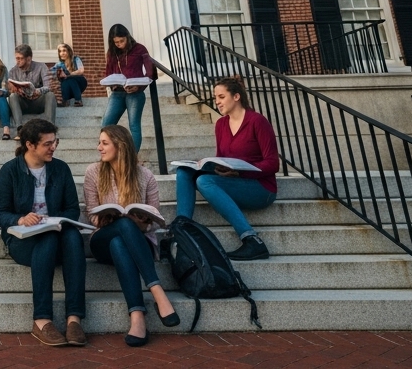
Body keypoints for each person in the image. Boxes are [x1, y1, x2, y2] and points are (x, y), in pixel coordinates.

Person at [0, 118, 87, 347]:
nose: (53, 147)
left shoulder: (60, 168)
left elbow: (72, 209)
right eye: (47, 144)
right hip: (23, 241)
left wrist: (58, 221)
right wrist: (21, 218)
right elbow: (0, 214)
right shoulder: (10, 171)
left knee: (73, 236)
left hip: (56, 234)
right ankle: (42, 319)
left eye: (55, 142)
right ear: (30, 145)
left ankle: (74, 319)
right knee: (47, 237)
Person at [84, 125, 179, 347]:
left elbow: (155, 219)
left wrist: (141, 222)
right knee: (121, 228)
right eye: (99, 143)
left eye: (104, 143)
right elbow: (92, 215)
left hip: (136, 241)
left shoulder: (145, 176)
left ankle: (137, 317)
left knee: (122, 240)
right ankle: (157, 291)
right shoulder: (93, 172)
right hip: (101, 241)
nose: (99, 148)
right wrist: (109, 219)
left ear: (121, 145)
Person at [174, 76, 279, 261]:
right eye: (216, 98)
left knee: (204, 181)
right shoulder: (221, 124)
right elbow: (223, 157)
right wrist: (207, 164)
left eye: (221, 97)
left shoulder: (257, 121)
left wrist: (241, 172)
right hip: (234, 180)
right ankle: (182, 231)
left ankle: (252, 240)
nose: (217, 102)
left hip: (260, 188)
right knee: (185, 172)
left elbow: (273, 163)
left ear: (236, 96)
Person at [101, 24, 154, 150]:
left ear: (128, 37)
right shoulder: (112, 52)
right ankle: (109, 154)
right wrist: (112, 83)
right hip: (117, 93)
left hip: (135, 93)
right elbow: (108, 73)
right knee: (106, 124)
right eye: (116, 42)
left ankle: (132, 157)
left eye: (122, 41)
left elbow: (150, 71)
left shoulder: (140, 49)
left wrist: (139, 87)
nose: (120, 44)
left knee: (134, 125)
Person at [6, 43, 57, 136]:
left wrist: (38, 91)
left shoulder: (41, 67)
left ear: (28, 59)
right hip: (23, 103)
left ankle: (50, 127)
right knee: (13, 96)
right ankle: (20, 128)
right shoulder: (13, 71)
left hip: (37, 101)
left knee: (50, 95)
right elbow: (8, 90)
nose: (17, 61)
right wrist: (12, 89)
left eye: (20, 58)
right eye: (16, 58)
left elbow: (48, 86)